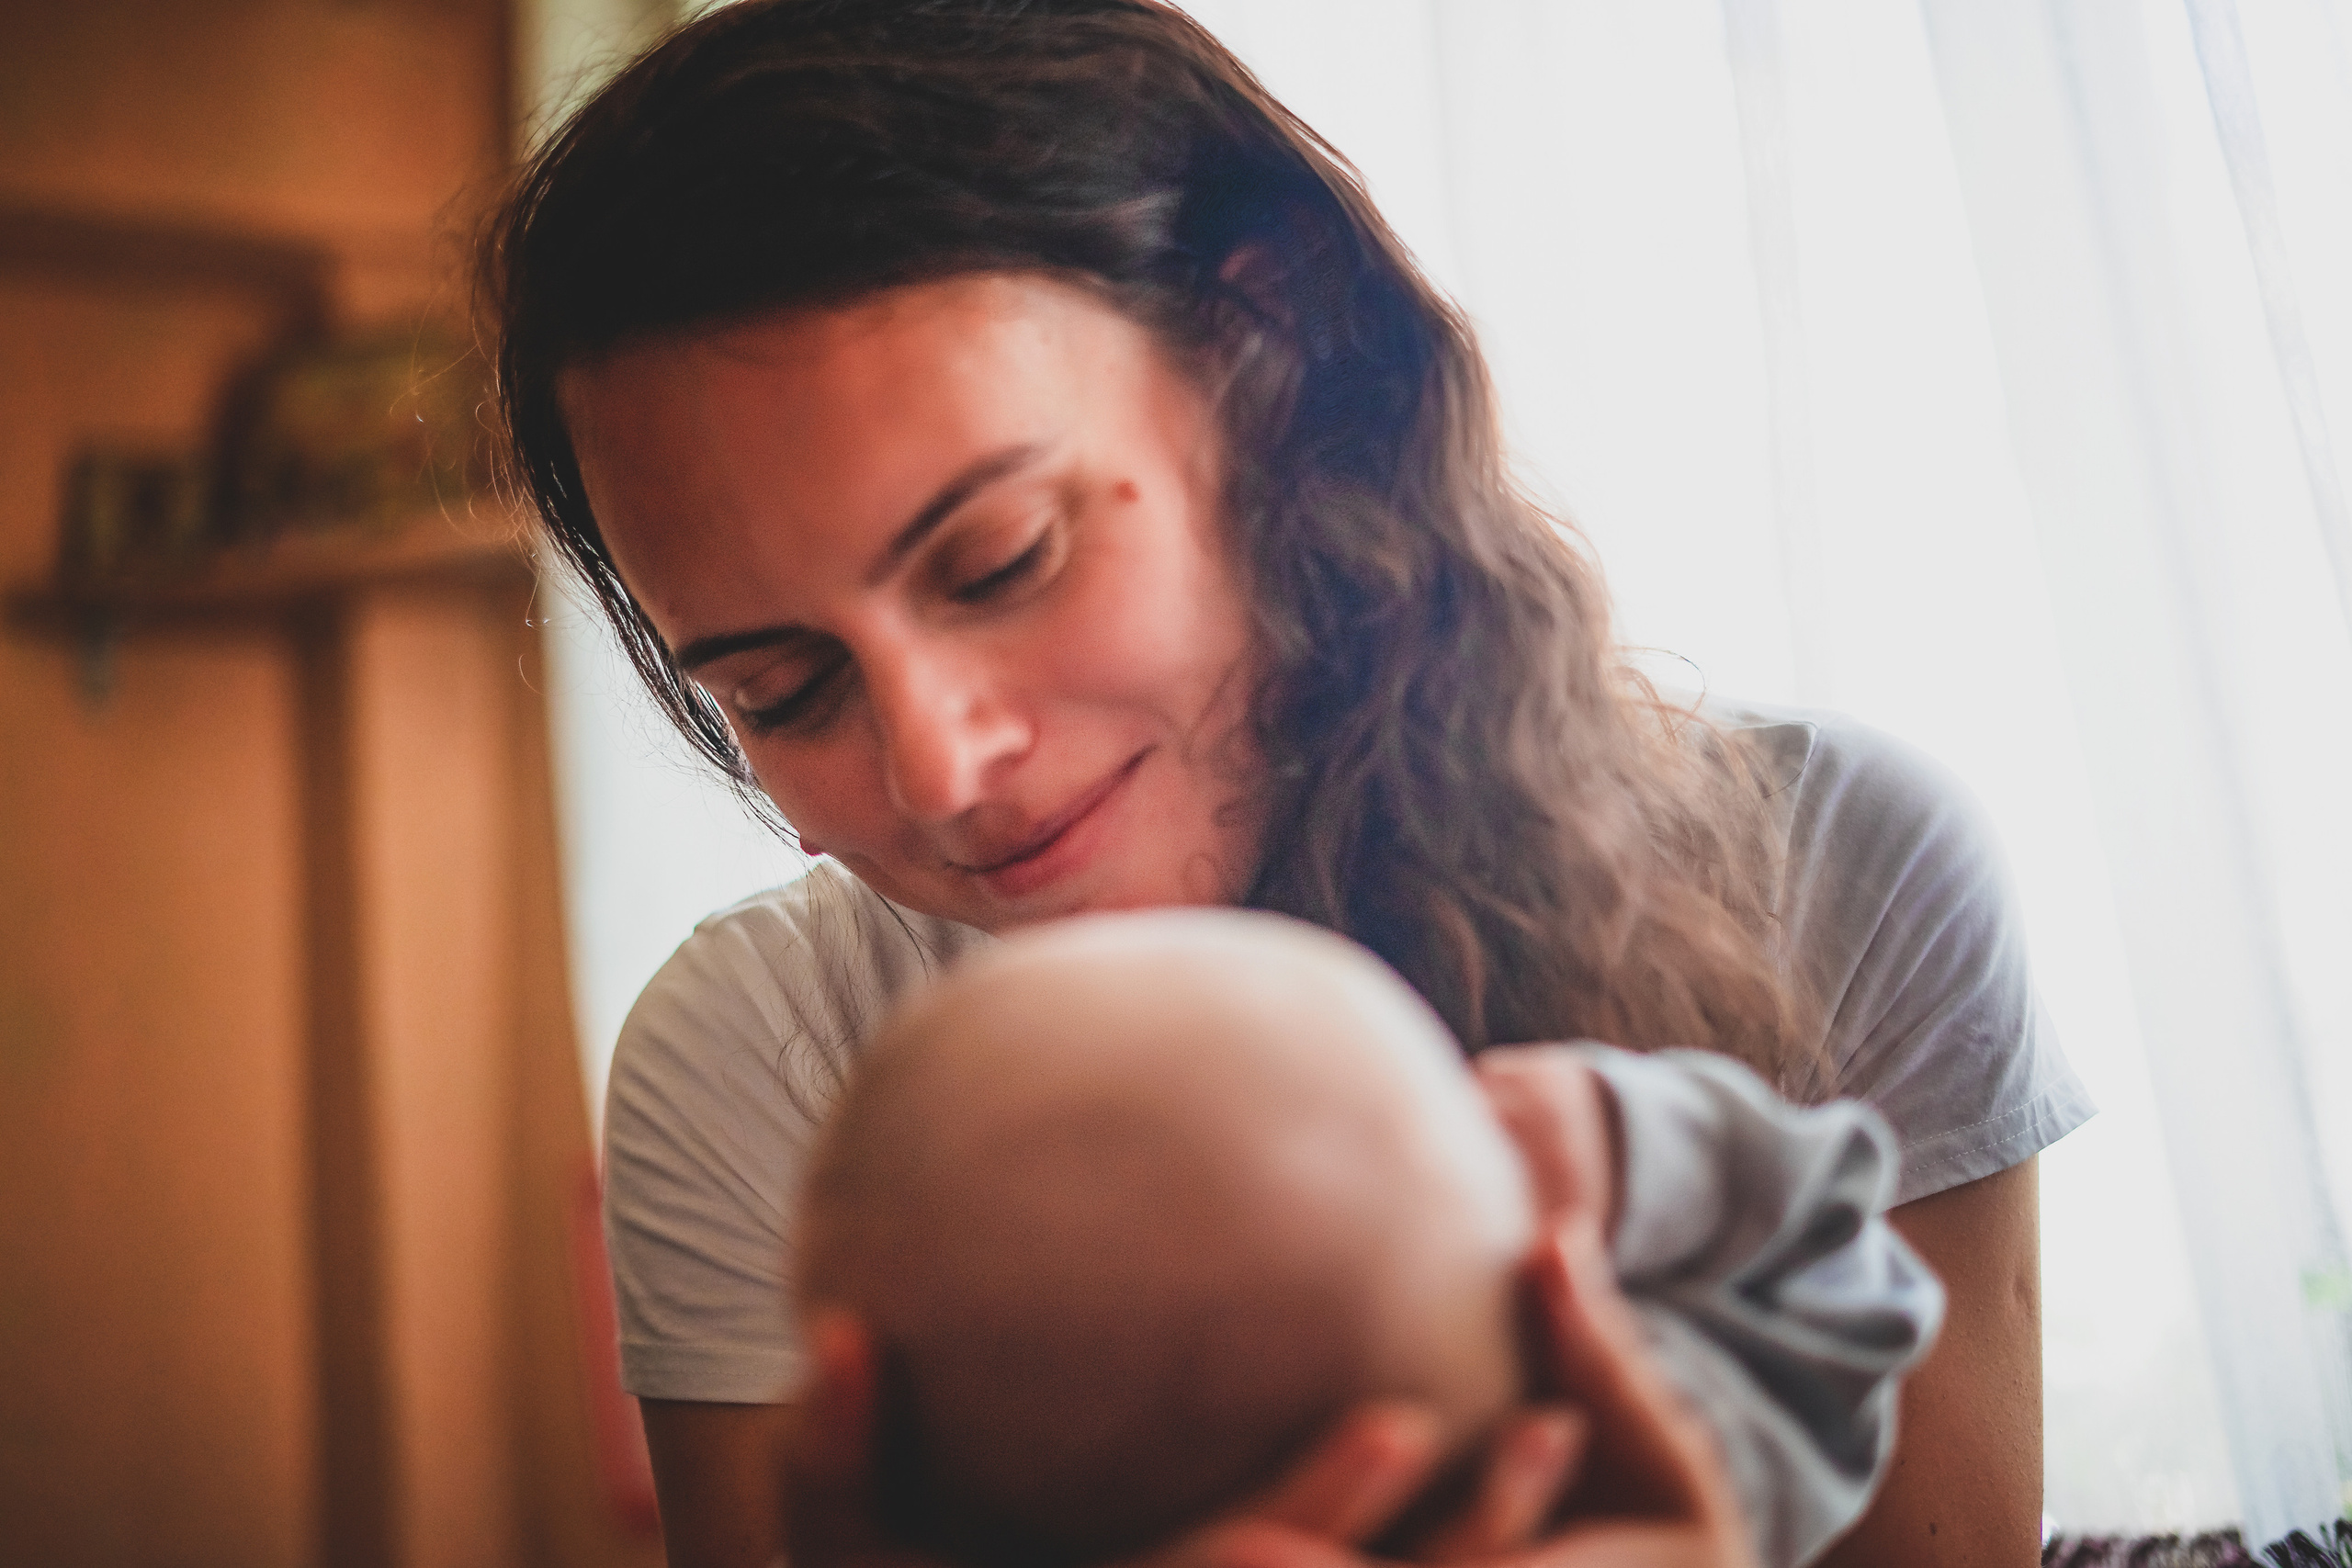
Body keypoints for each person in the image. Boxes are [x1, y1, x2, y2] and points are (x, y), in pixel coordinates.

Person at [479, 2, 2095, 1564]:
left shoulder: (1834, 877)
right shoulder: (763, 1055)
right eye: (785, 687)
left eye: (1002, 559)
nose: (939, 766)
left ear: (1272, 350)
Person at [787, 908, 1943, 1568]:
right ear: (1563, 1335)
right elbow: (1852, 1287)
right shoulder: (1610, 1498)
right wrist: (1634, 1140)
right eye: (1469, 1111)